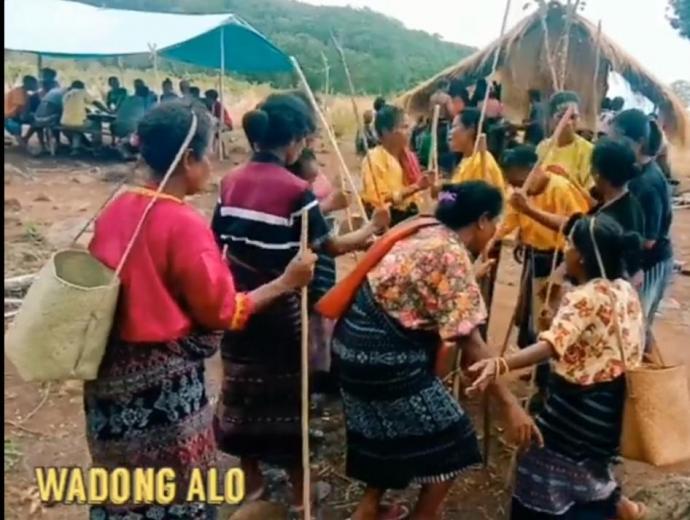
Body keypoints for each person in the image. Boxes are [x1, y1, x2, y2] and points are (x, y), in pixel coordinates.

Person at [86, 100, 318, 519]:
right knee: (176, 488)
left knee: (122, 480)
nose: (211, 164)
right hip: (164, 387)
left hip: (109, 371)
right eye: (208, 154)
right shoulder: (183, 224)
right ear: (189, 158)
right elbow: (222, 311)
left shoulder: (116, 209)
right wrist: (285, 282)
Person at [212, 93, 390, 513]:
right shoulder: (297, 192)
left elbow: (217, 241)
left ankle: (253, 481)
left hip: (239, 302)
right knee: (289, 400)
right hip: (280, 308)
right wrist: (372, 228)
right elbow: (331, 246)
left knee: (239, 390)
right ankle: (299, 494)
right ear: (293, 140)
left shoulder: (230, 180)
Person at [324, 181, 539, 520]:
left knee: (384, 429)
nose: (495, 230)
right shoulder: (451, 253)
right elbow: (470, 340)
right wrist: (510, 404)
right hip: (385, 361)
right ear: (483, 220)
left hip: (351, 349)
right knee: (455, 443)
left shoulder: (421, 230)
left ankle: (367, 509)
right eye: (495, 222)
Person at [467, 214, 646, 520]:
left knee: (540, 460)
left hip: (576, 407)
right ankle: (616, 506)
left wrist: (500, 363)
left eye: (570, 244)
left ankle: (581, 510)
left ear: (582, 256)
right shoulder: (624, 289)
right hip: (610, 405)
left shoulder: (584, 297)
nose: (565, 250)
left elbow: (551, 345)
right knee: (590, 464)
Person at [493, 144, 590, 397]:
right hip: (532, 257)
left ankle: (547, 386)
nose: (516, 187)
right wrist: (494, 241)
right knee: (527, 320)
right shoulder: (519, 194)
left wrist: (561, 273)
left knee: (549, 323)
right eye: (511, 182)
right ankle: (538, 370)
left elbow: (578, 229)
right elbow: (509, 223)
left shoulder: (560, 189)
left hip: (556, 262)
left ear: (533, 170)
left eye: (519, 180)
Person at [509, 137, 645, 280]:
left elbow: (571, 225)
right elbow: (593, 208)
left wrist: (529, 210)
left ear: (597, 174)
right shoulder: (627, 203)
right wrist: (571, 181)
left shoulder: (610, 218)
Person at [610, 109, 673, 353]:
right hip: (636, 262)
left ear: (638, 142)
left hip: (649, 264)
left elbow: (648, 241)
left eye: (617, 137)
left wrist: (612, 235)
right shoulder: (635, 173)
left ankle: (642, 373)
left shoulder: (647, 184)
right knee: (630, 325)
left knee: (635, 327)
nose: (613, 143)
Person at [360, 105, 432, 226]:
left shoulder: (409, 157)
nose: (409, 131)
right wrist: (416, 187)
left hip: (411, 215)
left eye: (409, 127)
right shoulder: (374, 159)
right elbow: (378, 199)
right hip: (389, 221)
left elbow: (418, 197)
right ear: (386, 131)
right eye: (404, 127)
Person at [537, 91, 594, 191]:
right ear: (551, 119)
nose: (568, 122)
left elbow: (590, 193)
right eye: (561, 116)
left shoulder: (588, 150)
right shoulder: (543, 147)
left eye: (573, 117)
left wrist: (566, 178)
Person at [449, 108, 507, 195]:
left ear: (471, 129)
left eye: (454, 127)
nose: (450, 132)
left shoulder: (481, 162)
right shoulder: (467, 161)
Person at [60, 80, 108, 154]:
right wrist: (107, 110)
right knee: (96, 125)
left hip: (64, 123)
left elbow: (72, 107)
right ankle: (96, 148)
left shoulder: (66, 95)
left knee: (76, 129)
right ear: (82, 87)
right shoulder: (82, 92)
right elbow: (95, 102)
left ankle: (75, 149)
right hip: (78, 123)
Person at [4, 75, 38, 143]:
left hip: (15, 116)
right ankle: (22, 141)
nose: (36, 86)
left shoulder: (24, 92)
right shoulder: (19, 92)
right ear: (28, 83)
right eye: (34, 84)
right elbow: (18, 108)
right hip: (10, 117)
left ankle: (25, 138)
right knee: (37, 121)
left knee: (38, 122)